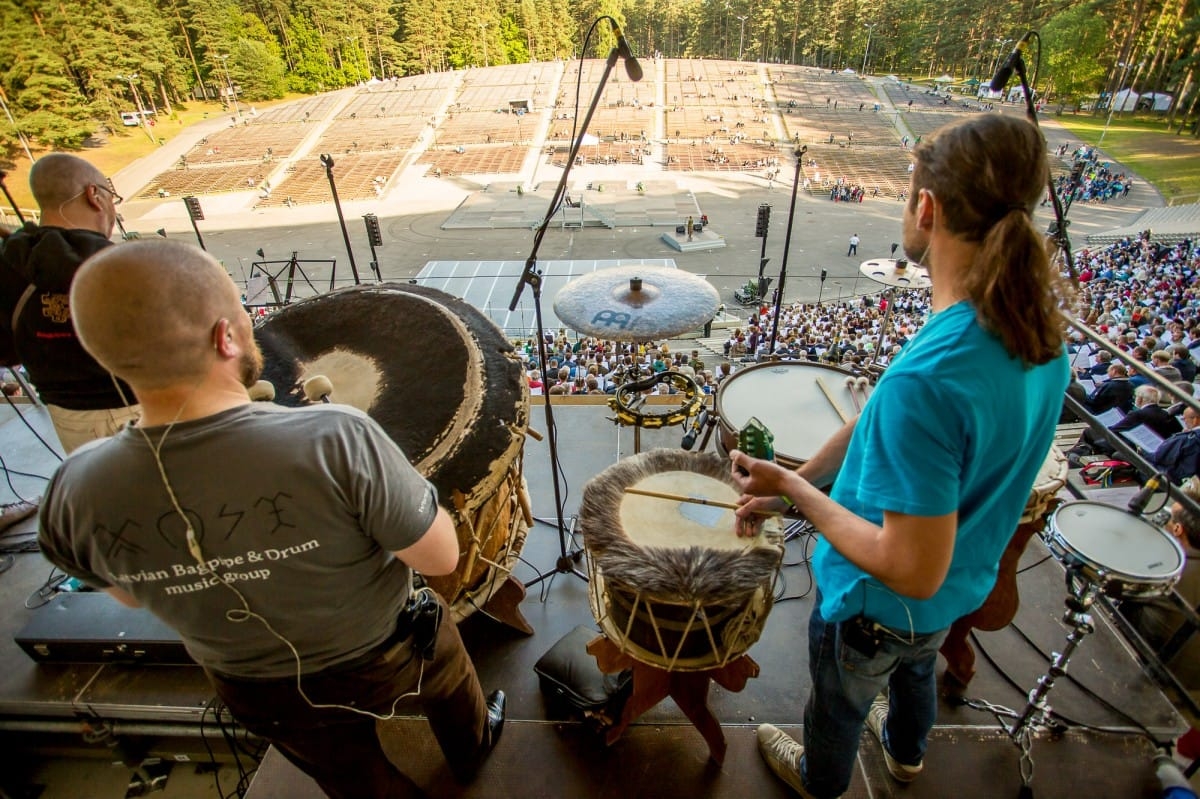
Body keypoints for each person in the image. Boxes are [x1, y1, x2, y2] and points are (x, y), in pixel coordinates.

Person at [37, 239, 505, 799]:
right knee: (444, 652)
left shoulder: (72, 489)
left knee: (350, 775)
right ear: (226, 335)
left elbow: (131, 597)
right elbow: (440, 557)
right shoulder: (337, 437)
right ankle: (472, 747)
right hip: (386, 658)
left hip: (251, 688)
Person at [731, 114, 1070, 798]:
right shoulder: (1034, 331)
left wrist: (797, 497)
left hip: (872, 607)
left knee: (838, 707)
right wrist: (789, 481)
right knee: (918, 671)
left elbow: (911, 567)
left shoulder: (933, 376)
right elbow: (875, 421)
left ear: (927, 207)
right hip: (955, 596)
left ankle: (819, 778)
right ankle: (908, 754)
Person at [0, 153, 140, 452]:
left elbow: (6, 353)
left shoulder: (9, 267)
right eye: (110, 195)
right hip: (146, 407)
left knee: (106, 491)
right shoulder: (127, 264)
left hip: (69, 419)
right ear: (94, 195)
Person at [1068, 384, 1182, 464]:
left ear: (1141, 399)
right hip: (1157, 445)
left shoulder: (1138, 414)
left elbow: (1114, 429)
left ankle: (1078, 452)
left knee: (1090, 431)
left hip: (1136, 446)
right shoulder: (1165, 414)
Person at [1150, 406, 1200, 484]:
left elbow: (1159, 457)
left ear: (1195, 420)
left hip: (1184, 480)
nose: (1184, 422)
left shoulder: (1186, 438)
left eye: (1184, 419)